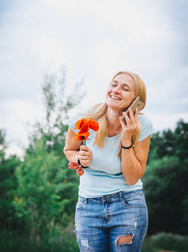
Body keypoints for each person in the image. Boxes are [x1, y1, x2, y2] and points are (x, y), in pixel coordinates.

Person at [64, 71, 154, 252]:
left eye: (125, 88)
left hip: (128, 204)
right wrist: (80, 159)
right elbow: (69, 150)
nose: (116, 90)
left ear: (137, 100)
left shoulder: (142, 125)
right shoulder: (83, 119)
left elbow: (131, 178)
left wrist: (126, 139)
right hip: (88, 206)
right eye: (114, 84)